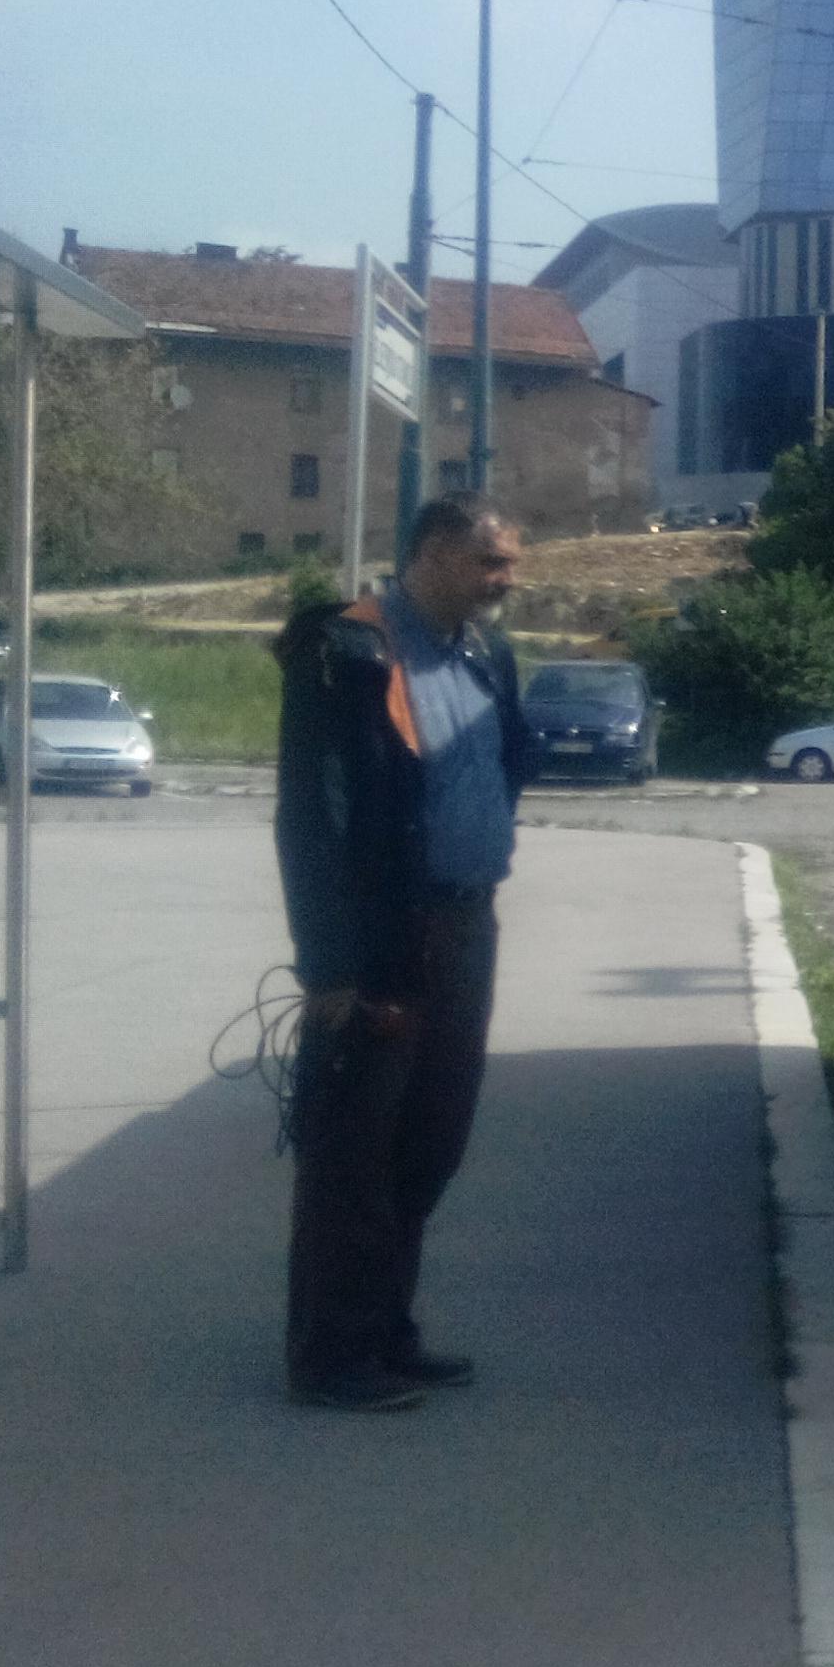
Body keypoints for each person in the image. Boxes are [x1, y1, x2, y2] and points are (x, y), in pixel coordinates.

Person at [272, 496, 533, 1411]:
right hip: (382, 940)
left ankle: (384, 1330)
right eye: (489, 561)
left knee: (428, 1144)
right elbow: (312, 815)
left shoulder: (486, 654)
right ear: (428, 553)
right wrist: (331, 966)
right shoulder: (348, 651)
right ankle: (331, 1359)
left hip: (466, 930)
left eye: (509, 563)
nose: (506, 579)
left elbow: (505, 769)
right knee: (352, 1152)